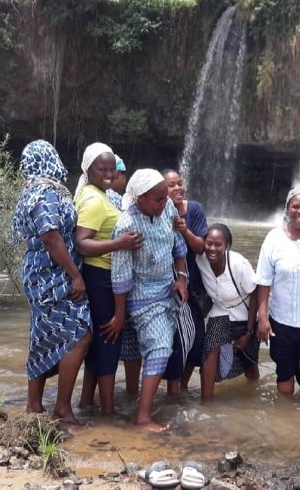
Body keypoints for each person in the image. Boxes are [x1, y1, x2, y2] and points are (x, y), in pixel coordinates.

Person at [11, 140, 92, 426]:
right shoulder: (45, 194)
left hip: (40, 272)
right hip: (52, 272)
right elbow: (51, 237)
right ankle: (62, 409)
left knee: (42, 334)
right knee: (80, 334)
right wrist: (75, 275)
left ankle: (33, 406)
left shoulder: (32, 191)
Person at [111, 169, 189, 431]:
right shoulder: (127, 225)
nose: (164, 203)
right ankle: (143, 418)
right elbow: (120, 274)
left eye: (164, 198)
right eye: (157, 199)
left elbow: (178, 245)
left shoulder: (167, 210)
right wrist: (120, 315)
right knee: (160, 347)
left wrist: (181, 278)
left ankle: (134, 401)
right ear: (140, 198)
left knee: (144, 350)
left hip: (168, 289)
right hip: (141, 295)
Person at [74, 142, 143, 415]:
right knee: (108, 342)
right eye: (102, 168)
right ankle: (108, 413)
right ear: (88, 169)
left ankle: (87, 403)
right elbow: (82, 243)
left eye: (112, 168)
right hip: (100, 277)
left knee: (101, 343)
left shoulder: (96, 194)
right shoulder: (94, 200)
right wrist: (120, 244)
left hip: (102, 277)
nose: (108, 173)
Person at [256, 189, 300, 398]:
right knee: (284, 374)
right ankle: (285, 424)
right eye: (296, 206)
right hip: (281, 320)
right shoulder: (273, 238)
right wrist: (262, 318)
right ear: (287, 208)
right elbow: (263, 281)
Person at [197, 223, 260, 399]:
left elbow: (254, 295)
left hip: (244, 313)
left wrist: (249, 331)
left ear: (226, 246)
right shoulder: (200, 259)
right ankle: (206, 400)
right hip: (220, 311)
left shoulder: (239, 264)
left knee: (249, 363)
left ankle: (253, 395)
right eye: (209, 243)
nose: (212, 249)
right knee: (210, 348)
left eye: (218, 245)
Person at [160, 168, 209, 395]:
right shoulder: (157, 210)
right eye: (171, 185)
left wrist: (184, 229)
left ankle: (183, 385)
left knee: (197, 339)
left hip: (193, 285)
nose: (177, 188)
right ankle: (172, 391)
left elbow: (201, 247)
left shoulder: (194, 210)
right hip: (166, 285)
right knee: (175, 342)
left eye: (179, 183)